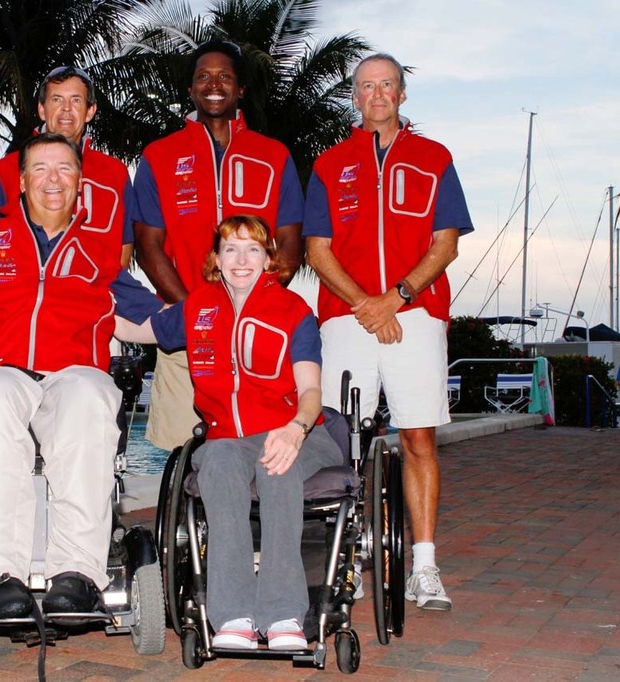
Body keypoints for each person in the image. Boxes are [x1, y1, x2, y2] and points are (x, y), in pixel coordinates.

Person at [0, 133, 162, 619]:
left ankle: (76, 574)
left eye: (64, 169)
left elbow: (154, 320)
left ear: (80, 184)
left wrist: (222, 311)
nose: (52, 179)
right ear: (20, 183)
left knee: (91, 396)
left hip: (72, 373)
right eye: (40, 169)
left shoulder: (100, 252)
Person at [118, 214, 342, 650]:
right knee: (217, 459)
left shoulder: (295, 312)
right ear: (216, 259)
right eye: (231, 249)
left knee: (276, 463)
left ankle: (282, 616)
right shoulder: (198, 308)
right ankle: (233, 615)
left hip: (297, 432)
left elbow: (311, 390)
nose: (242, 260)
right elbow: (136, 328)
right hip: (228, 441)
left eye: (253, 249)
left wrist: (295, 429)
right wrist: (83, 309)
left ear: (268, 259)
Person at [303, 53, 473, 611]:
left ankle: (424, 565)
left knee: (418, 437)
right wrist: (364, 304)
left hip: (415, 312)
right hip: (348, 316)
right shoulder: (330, 164)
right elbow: (317, 250)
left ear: (402, 95)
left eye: (388, 86)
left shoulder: (433, 158)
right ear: (354, 97)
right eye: (366, 87)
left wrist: (395, 298)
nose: (377, 95)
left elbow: (445, 244)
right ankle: (340, 558)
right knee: (337, 441)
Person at [132, 39, 305, 451]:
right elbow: (148, 244)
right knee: (181, 449)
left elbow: (290, 243)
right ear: (191, 90)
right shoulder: (159, 156)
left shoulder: (274, 155)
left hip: (260, 332)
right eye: (203, 77)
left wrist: (254, 307)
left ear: (240, 89)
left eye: (225, 76)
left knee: (256, 449)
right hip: (185, 330)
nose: (214, 84)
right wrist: (198, 315)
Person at [0, 66, 135, 267]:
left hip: (94, 296)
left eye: (76, 100)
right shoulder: (7, 170)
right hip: (27, 296)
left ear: (90, 111)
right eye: (56, 100)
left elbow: (124, 248)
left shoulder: (115, 174)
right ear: (41, 109)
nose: (66, 109)